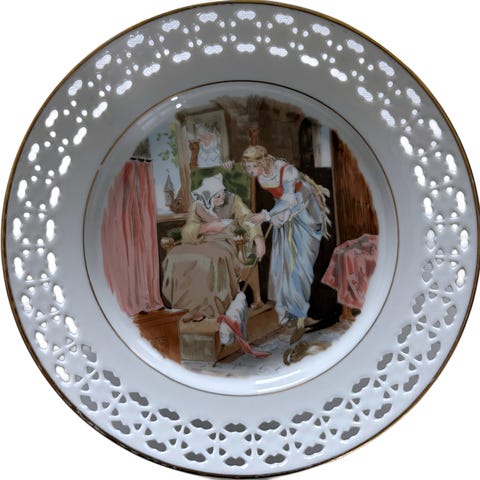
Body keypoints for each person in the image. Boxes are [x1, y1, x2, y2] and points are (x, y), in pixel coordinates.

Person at [241, 145, 330, 343]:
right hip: (285, 213)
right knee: (282, 264)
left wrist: (266, 215)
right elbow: (281, 201)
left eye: (252, 167)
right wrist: (276, 215)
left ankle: (301, 313)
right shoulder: (262, 178)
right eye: (247, 168)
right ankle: (290, 313)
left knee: (301, 265)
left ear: (262, 162)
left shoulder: (287, 171)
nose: (250, 172)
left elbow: (291, 200)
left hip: (305, 212)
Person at [162, 173, 265, 321]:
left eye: (222, 193)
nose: (222, 198)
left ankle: (209, 309)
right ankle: (186, 307)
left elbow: (248, 218)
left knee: (212, 259)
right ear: (207, 198)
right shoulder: (197, 205)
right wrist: (206, 227)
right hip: (201, 240)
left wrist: (259, 240)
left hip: (225, 241)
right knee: (175, 255)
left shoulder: (233, 200)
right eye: (217, 196)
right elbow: (188, 229)